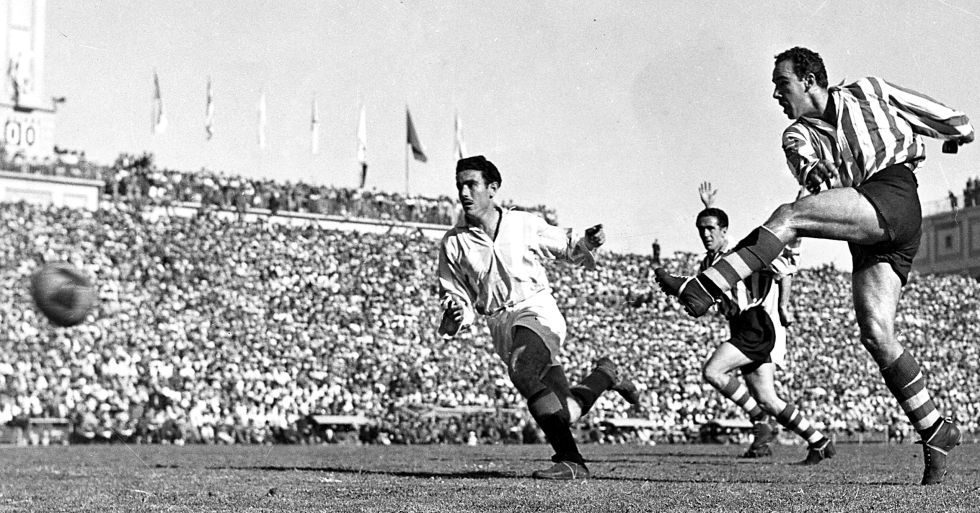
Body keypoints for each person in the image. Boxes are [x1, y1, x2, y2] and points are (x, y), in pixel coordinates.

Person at [655, 47, 973, 485]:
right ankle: (935, 429)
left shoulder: (869, 90)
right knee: (876, 334)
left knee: (789, 216)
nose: (775, 94)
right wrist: (816, 178)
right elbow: (810, 173)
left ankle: (705, 286)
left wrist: (957, 135)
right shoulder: (797, 134)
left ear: (808, 80)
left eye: (781, 83)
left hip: (894, 194)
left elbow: (952, 120)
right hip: (866, 223)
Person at [438, 155, 640, 480]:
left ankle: (571, 460)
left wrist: (588, 242)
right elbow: (455, 293)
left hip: (535, 308)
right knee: (566, 411)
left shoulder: (522, 223)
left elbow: (568, 247)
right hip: (500, 324)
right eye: (459, 185)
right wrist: (457, 310)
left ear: (492, 188)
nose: (463, 192)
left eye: (471, 184)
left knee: (522, 368)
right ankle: (604, 376)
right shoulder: (453, 242)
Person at [693, 182, 833, 463]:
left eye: (711, 229)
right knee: (768, 398)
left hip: (756, 325)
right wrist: (709, 209)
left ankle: (759, 420)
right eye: (701, 230)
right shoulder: (708, 261)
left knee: (713, 371)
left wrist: (783, 306)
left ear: (724, 231)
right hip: (743, 326)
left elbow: (784, 268)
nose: (705, 234)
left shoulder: (740, 253)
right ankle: (819, 442)